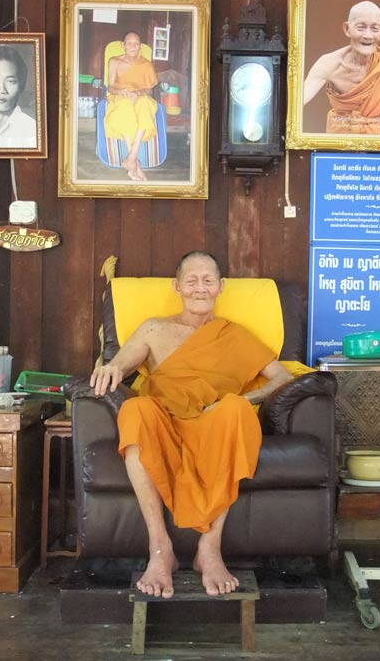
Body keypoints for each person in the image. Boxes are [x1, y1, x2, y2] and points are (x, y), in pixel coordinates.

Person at [90, 251, 293, 599]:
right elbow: (120, 365)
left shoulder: (235, 335)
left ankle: (209, 549)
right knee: (136, 409)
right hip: (165, 422)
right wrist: (111, 369)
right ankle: (160, 549)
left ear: (221, 287)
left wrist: (247, 398)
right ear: (177, 286)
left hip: (213, 422)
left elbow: (283, 378)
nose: (200, 288)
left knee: (236, 410)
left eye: (208, 280)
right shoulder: (155, 328)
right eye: (192, 281)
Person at [303, 0, 380, 134]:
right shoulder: (328, 64)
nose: (368, 35)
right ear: (347, 29)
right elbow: (298, 100)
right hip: (340, 137)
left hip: (375, 140)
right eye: (361, 28)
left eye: (375, 29)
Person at [104, 31, 159, 181]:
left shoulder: (146, 64)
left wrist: (138, 92)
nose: (132, 46)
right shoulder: (114, 61)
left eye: (136, 43)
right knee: (125, 106)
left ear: (140, 46)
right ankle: (135, 163)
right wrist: (120, 91)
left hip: (140, 96)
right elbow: (110, 87)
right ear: (123, 45)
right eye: (129, 43)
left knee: (145, 104)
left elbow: (149, 89)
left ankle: (131, 157)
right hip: (119, 96)